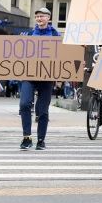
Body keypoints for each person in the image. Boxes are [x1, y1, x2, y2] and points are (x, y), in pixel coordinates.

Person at [19, 8, 61, 150]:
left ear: (48, 17)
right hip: (29, 75)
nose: (39, 19)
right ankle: (27, 137)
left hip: (47, 76)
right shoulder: (30, 34)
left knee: (43, 110)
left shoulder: (56, 35)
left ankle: (41, 140)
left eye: (41, 16)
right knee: (24, 104)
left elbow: (65, 55)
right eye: (36, 16)